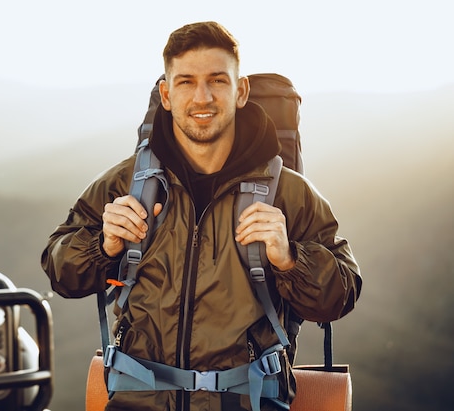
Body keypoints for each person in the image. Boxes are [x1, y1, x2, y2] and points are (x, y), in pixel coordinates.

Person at [41, 21, 362, 411]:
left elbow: (342, 293)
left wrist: (290, 259)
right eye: (186, 82)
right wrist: (102, 246)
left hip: (248, 402)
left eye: (217, 81)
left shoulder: (288, 193)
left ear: (240, 91)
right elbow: (60, 271)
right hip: (137, 402)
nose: (203, 97)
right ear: (167, 94)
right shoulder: (126, 184)